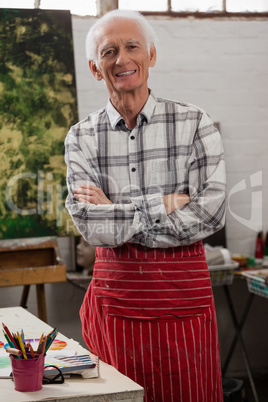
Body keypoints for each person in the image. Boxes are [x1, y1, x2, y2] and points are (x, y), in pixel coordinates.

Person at [65, 9, 226, 402]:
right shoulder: (81, 137)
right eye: (109, 51)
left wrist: (116, 209)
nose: (122, 59)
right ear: (94, 67)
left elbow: (210, 213)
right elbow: (90, 225)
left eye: (132, 46)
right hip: (116, 306)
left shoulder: (195, 123)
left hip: (183, 301)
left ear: (151, 55)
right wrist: (162, 204)